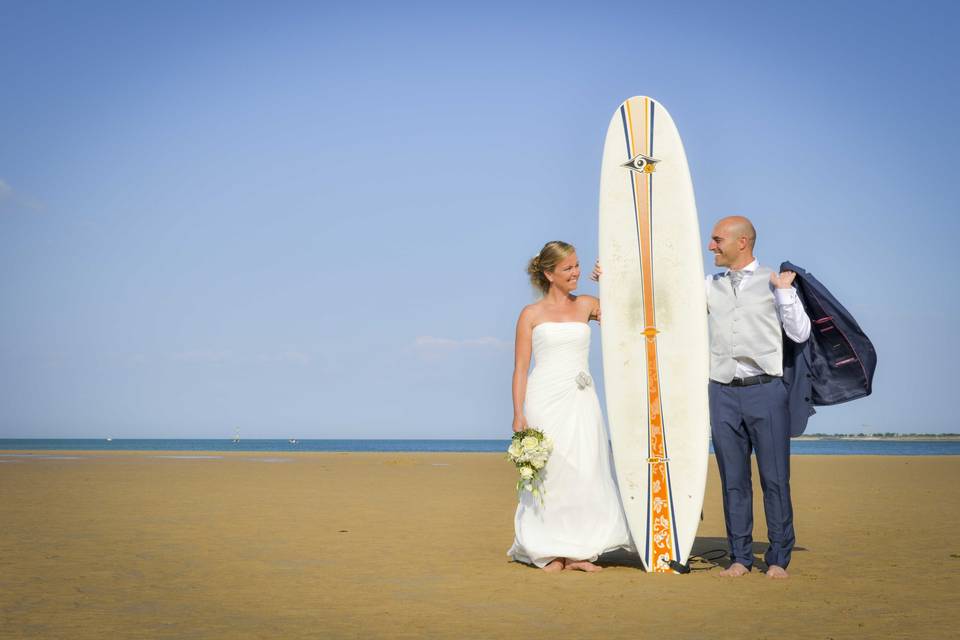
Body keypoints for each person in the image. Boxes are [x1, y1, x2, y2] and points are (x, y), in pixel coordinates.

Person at [507, 240, 632, 572]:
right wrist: (518, 413)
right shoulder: (531, 314)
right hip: (544, 400)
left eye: (577, 265)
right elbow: (521, 368)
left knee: (584, 470)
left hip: (581, 399)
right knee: (552, 474)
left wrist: (610, 279)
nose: (576, 272)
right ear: (549, 273)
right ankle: (550, 550)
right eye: (568, 268)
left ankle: (579, 552)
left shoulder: (588, 305)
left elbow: (628, 314)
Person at [704, 216, 810, 579]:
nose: (711, 246)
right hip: (721, 391)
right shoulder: (709, 285)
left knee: (775, 478)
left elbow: (800, 332)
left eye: (717, 240)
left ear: (742, 242)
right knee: (733, 479)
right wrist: (615, 274)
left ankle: (778, 558)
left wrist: (783, 292)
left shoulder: (773, 281)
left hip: (766, 390)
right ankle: (740, 556)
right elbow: (664, 300)